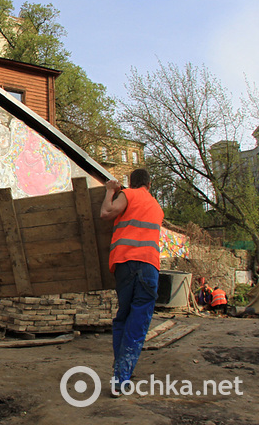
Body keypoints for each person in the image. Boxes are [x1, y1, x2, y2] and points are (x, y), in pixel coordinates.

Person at [100, 169, 164, 397]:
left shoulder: (128, 195)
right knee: (138, 321)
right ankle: (121, 377)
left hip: (125, 263)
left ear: (131, 182)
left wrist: (110, 190)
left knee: (123, 317)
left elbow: (106, 212)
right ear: (149, 183)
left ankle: (120, 375)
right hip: (148, 267)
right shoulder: (157, 208)